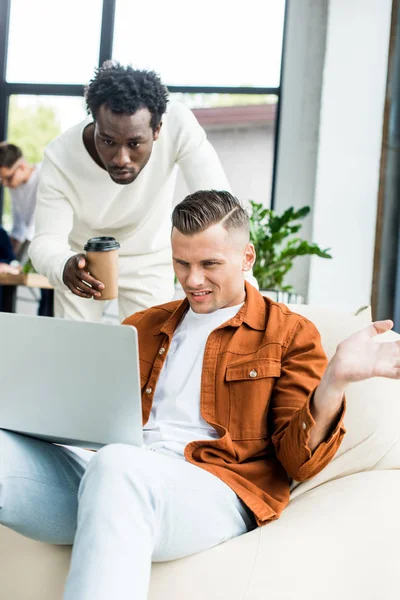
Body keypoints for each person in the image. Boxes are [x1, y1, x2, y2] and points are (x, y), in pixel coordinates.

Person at [2, 190, 399, 599]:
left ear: (247, 258)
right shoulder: (142, 326)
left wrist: (335, 379)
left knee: (120, 464)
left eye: (210, 264)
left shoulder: (289, 334)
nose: (192, 280)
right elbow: (87, 419)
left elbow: (298, 462)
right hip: (108, 478)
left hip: (214, 490)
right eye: (182, 263)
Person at [29, 61, 240, 322]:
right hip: (82, 262)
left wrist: (244, 291)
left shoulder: (179, 124)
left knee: (153, 355)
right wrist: (63, 265)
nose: (121, 158)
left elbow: (221, 207)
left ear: (157, 130)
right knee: (76, 352)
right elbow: (45, 240)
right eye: (108, 141)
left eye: (134, 143)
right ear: (95, 123)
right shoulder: (60, 156)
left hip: (148, 258)